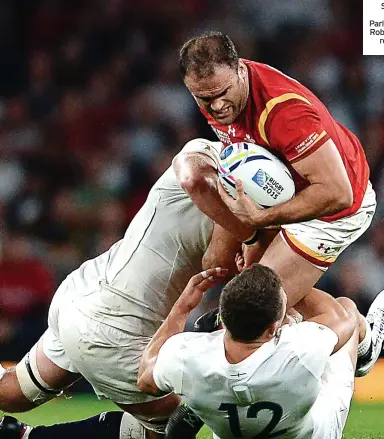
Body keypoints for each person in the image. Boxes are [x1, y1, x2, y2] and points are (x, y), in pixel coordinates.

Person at [0, 137, 243, 439]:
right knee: (170, 429)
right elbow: (218, 262)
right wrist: (258, 221)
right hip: (115, 326)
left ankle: (15, 434)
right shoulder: (239, 189)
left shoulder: (204, 149)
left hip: (86, 288)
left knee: (12, 392)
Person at [174, 31, 380, 377]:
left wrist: (262, 218)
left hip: (334, 211)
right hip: (280, 188)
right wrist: (254, 234)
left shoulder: (284, 113)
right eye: (204, 98)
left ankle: (359, 335)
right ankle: (344, 327)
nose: (217, 107)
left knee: (254, 314)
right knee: (219, 261)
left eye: (223, 94)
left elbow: (337, 193)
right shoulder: (220, 93)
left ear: (240, 70)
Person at [137, 264, 384, 439]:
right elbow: (340, 316)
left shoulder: (186, 355)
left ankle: (204, 403)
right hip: (315, 430)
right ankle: (366, 352)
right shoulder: (299, 347)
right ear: (274, 328)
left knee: (199, 389)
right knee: (348, 311)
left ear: (223, 317)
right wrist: (286, 270)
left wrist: (181, 308)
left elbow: (145, 378)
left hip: (222, 402)